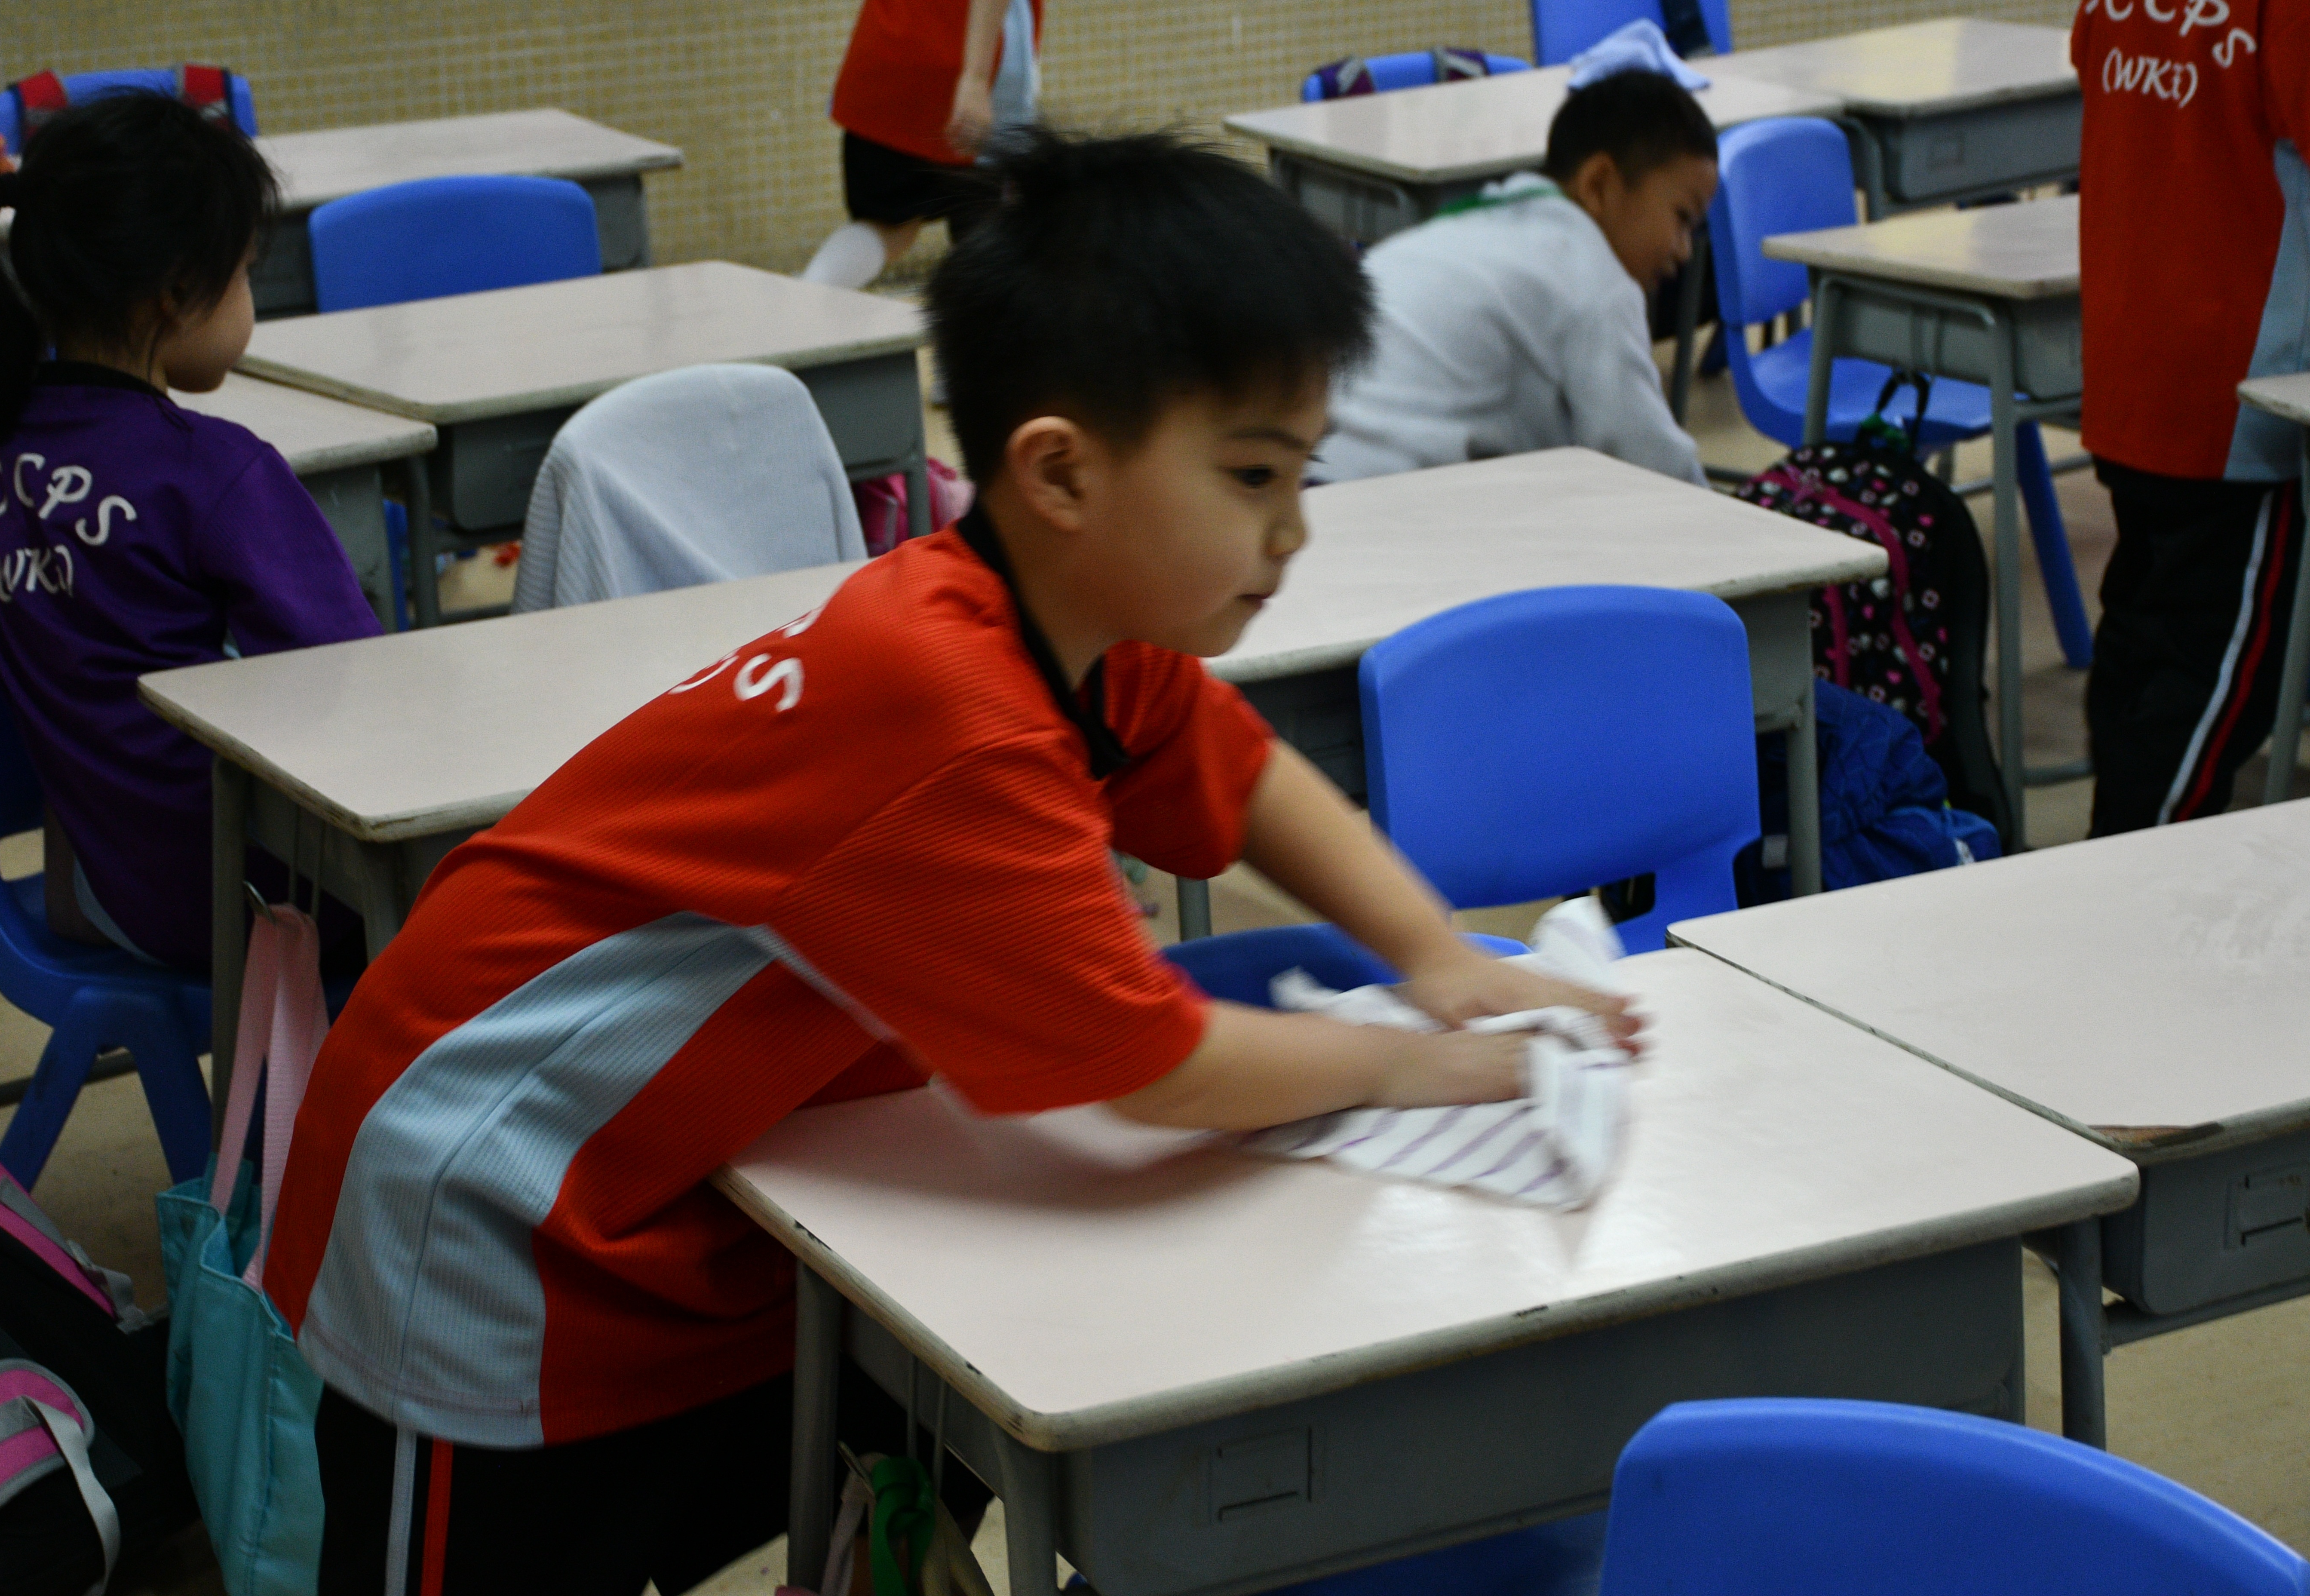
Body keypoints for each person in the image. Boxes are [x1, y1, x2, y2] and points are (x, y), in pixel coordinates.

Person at [266, 128, 1640, 1594]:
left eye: (1300, 472)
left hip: (689, 1177)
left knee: (899, 1422)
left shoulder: (1065, 628)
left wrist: (1433, 956)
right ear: (1059, 473)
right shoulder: (951, 708)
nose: (1293, 530)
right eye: (1252, 475)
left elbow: (1237, 772)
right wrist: (1414, 1062)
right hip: (480, 1212)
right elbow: (1151, 1064)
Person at [0, 93, 380, 971]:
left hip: (96, 883)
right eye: (244, 273)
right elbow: (362, 678)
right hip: (243, 902)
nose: (249, 300)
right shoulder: (212, 471)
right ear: (175, 293)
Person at [2072, 0, 2310, 834]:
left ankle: (2108, 847)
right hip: (2239, 395)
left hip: (2133, 360)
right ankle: (2138, 861)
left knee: (2145, 631)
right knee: (2218, 669)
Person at [1319, 68, 1716, 487]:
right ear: (1599, 185)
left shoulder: (1483, 222)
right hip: (1386, 495)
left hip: (1310, 467)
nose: (1684, 250)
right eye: (1683, 218)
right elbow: (1653, 462)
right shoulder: (1594, 281)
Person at [800, 0, 1042, 289]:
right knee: (991, 233)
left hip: (892, 48)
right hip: (971, 61)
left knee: (886, 227)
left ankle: (802, 303)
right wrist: (975, 79)